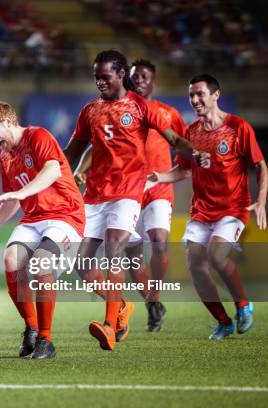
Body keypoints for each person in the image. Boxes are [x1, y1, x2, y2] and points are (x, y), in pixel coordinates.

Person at [63, 49, 198, 351]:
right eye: (96, 78)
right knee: (82, 266)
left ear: (121, 74)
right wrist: (54, 172)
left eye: (105, 77)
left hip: (128, 192)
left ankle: (110, 326)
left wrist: (194, 151)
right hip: (95, 194)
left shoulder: (140, 107)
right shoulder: (90, 111)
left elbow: (174, 140)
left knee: (114, 250)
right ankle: (122, 306)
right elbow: (74, 151)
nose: (100, 83)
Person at [146, 74, 266, 340]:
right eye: (191, 95)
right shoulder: (192, 132)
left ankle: (243, 305)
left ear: (216, 95)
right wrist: (160, 177)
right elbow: (184, 170)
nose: (195, 100)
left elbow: (260, 165)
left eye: (200, 94)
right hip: (201, 211)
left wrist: (261, 200)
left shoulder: (238, 127)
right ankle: (223, 322)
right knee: (195, 266)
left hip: (233, 208)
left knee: (216, 255)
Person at [0, 100, 85, 359]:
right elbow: (12, 200)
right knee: (10, 260)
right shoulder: (6, 156)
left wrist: (24, 191)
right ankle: (31, 328)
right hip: (34, 218)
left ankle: (46, 339)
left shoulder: (38, 136)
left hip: (65, 215)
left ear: (8, 121)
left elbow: (52, 170)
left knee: (41, 264)